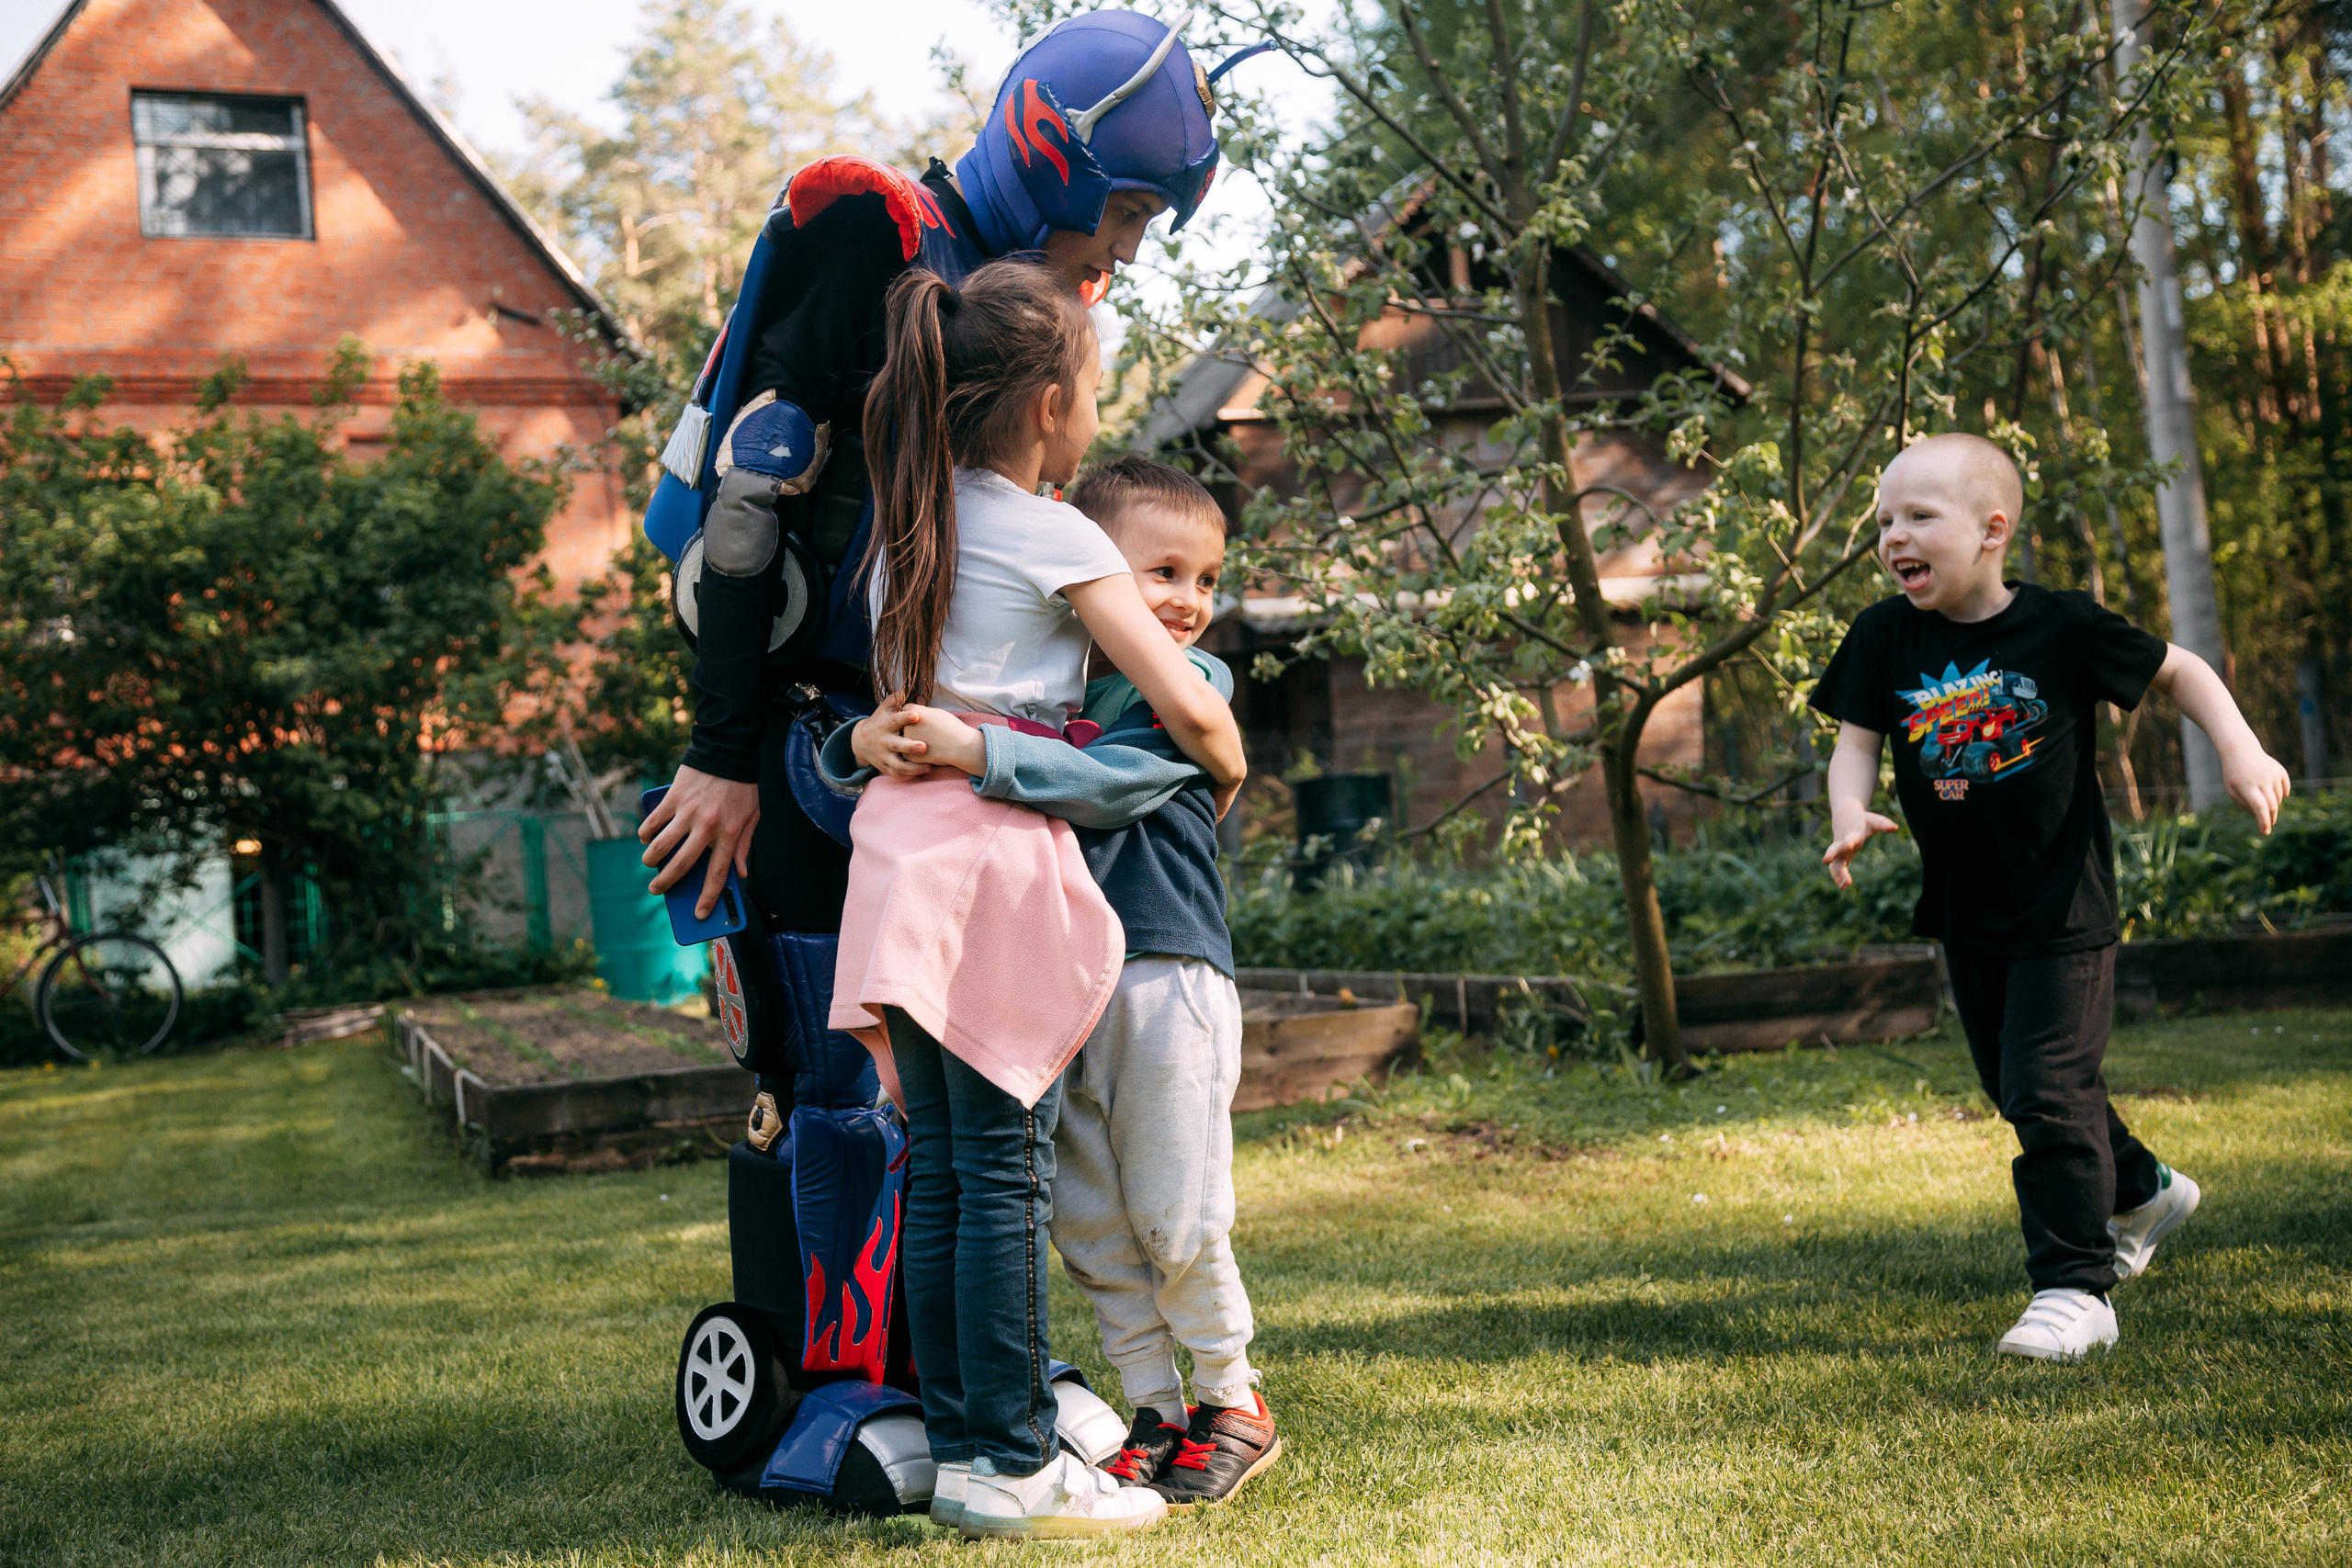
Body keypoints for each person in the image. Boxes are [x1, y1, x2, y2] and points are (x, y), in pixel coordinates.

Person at [827, 261, 1246, 1540]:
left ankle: (964, 1452)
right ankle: (1015, 1456)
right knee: (998, 1171)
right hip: (990, 852)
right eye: (1097, 395)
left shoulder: (911, 520)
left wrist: (864, 747)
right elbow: (1181, 700)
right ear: (1053, 402)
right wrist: (1222, 758)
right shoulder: (1053, 529)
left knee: (947, 1173)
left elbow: (880, 718)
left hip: (898, 858)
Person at [1813, 432, 2292, 1361]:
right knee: (2018, 1087)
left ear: (1992, 531)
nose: (1892, 537)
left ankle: (2076, 1288)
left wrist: (2239, 746)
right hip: (1964, 910)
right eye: (1883, 522)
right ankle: (2144, 1185)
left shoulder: (2061, 626)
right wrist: (1847, 809)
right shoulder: (1883, 634)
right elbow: (1857, 739)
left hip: (2062, 909)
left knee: (2045, 1086)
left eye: (1918, 517)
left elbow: (2180, 669)